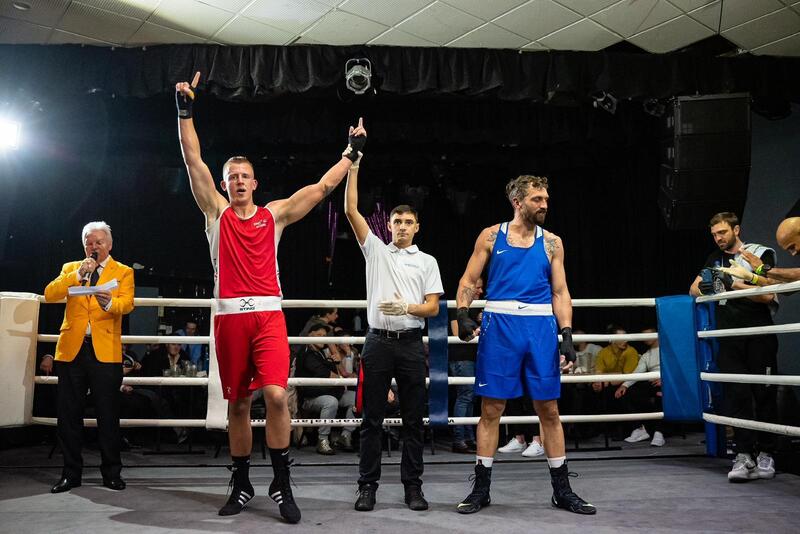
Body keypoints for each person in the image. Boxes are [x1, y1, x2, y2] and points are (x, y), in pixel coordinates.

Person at [175, 72, 366, 522]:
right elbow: (192, 159)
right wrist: (185, 111)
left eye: (245, 176)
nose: (239, 181)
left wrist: (351, 153)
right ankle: (242, 482)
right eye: (232, 177)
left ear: (255, 183)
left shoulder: (273, 215)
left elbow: (321, 189)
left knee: (278, 396)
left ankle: (281, 481)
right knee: (239, 404)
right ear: (224, 185)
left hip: (267, 317)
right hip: (229, 319)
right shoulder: (215, 213)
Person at [454, 175, 595, 515]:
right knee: (491, 409)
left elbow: (560, 291)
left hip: (539, 327)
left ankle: (562, 491)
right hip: (499, 325)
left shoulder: (553, 243)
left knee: (549, 409)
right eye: (537, 199)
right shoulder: (491, 235)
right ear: (518, 202)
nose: (544, 204)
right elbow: (469, 280)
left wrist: (567, 335)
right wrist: (462, 313)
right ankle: (481, 489)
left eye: (546, 198)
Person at [344, 155, 444, 512]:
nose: (402, 226)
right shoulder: (375, 250)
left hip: (411, 343)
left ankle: (413, 488)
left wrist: (407, 308)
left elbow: (433, 308)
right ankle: (367, 487)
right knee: (371, 420)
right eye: (397, 221)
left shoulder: (427, 261)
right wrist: (354, 163)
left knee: (413, 421)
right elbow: (351, 210)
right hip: (377, 342)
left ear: (417, 227)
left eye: (408, 222)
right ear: (388, 225)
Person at [43, 221, 135, 493]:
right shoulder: (71, 268)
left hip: (105, 351)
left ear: (109, 244)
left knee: (108, 415)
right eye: (89, 243)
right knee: (68, 415)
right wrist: (78, 274)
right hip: (72, 349)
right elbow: (50, 294)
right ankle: (70, 474)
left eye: (98, 242)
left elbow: (127, 303)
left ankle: (112, 472)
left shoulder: (124, 271)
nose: (93, 247)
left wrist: (110, 303)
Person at [689, 212, 779, 482]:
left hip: (759, 334)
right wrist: (716, 287)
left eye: (722, 232)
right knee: (736, 396)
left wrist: (733, 284)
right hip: (729, 336)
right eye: (714, 234)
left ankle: (767, 452)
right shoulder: (713, 259)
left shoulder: (759, 254)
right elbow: (694, 289)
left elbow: (768, 294)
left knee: (764, 394)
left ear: (736, 230)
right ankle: (744, 454)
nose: (718, 238)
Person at [294, 322, 357, 454]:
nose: (323, 338)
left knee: (356, 398)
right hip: (311, 398)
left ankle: (345, 435)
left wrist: (337, 361)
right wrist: (339, 377)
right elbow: (325, 373)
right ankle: (322, 440)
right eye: (319, 335)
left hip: (331, 392)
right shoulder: (306, 353)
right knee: (330, 402)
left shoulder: (322, 353)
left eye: (324, 336)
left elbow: (339, 372)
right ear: (310, 336)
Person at [448, 277, 483, 454]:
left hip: (473, 357)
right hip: (461, 357)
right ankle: (458, 439)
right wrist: (477, 330)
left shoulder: (478, 307)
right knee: (465, 396)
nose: (481, 291)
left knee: (471, 397)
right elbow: (457, 333)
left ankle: (468, 438)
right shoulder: (458, 306)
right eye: (478, 287)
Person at [615, 328, 665, 447]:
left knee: (661, 395)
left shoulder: (667, 350)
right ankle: (639, 428)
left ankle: (659, 433)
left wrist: (665, 380)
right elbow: (637, 373)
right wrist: (624, 385)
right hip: (652, 383)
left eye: (647, 335)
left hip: (668, 383)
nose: (645, 338)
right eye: (643, 336)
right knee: (626, 393)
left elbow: (677, 368)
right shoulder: (646, 355)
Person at [718, 217, 800, 285]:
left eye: (792, 247)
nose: (793, 253)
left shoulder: (761, 252)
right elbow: (778, 284)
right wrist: (751, 277)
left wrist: (762, 269)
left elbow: (769, 296)